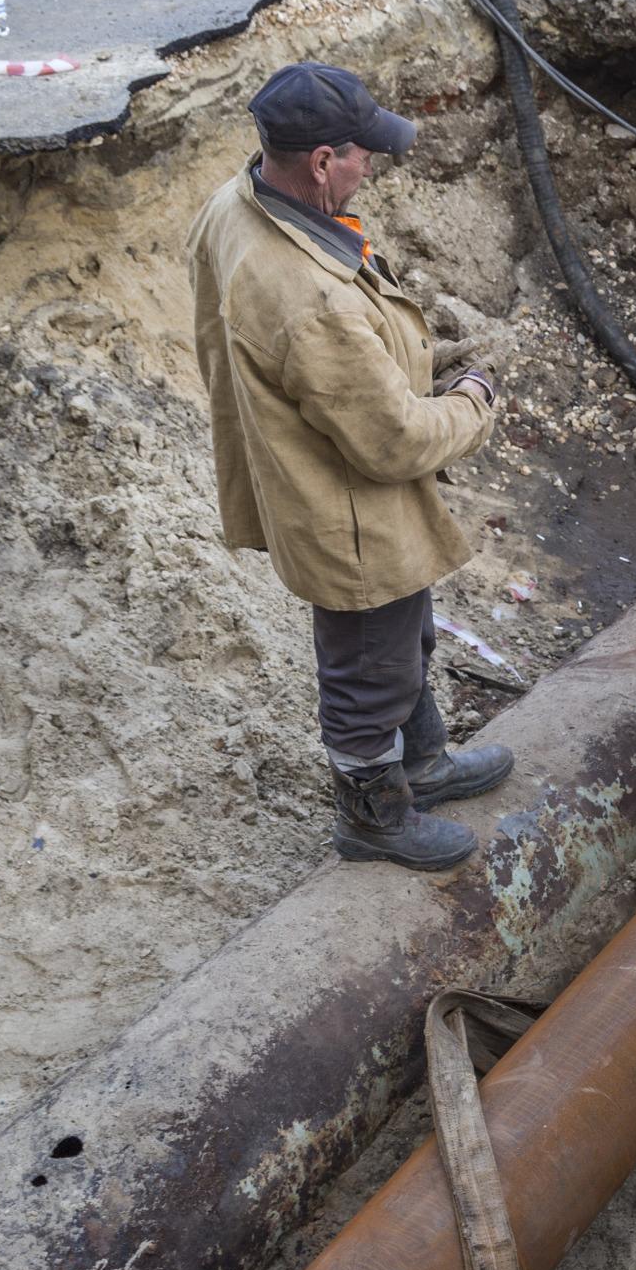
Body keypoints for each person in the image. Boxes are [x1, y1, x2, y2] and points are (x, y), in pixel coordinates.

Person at [184, 60, 513, 872]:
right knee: (370, 664)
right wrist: (472, 399)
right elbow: (395, 441)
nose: (375, 166)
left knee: (404, 633)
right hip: (346, 506)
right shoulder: (306, 296)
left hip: (325, 474)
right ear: (323, 162)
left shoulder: (239, 201)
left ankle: (424, 763)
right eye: (364, 153)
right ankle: (372, 815)